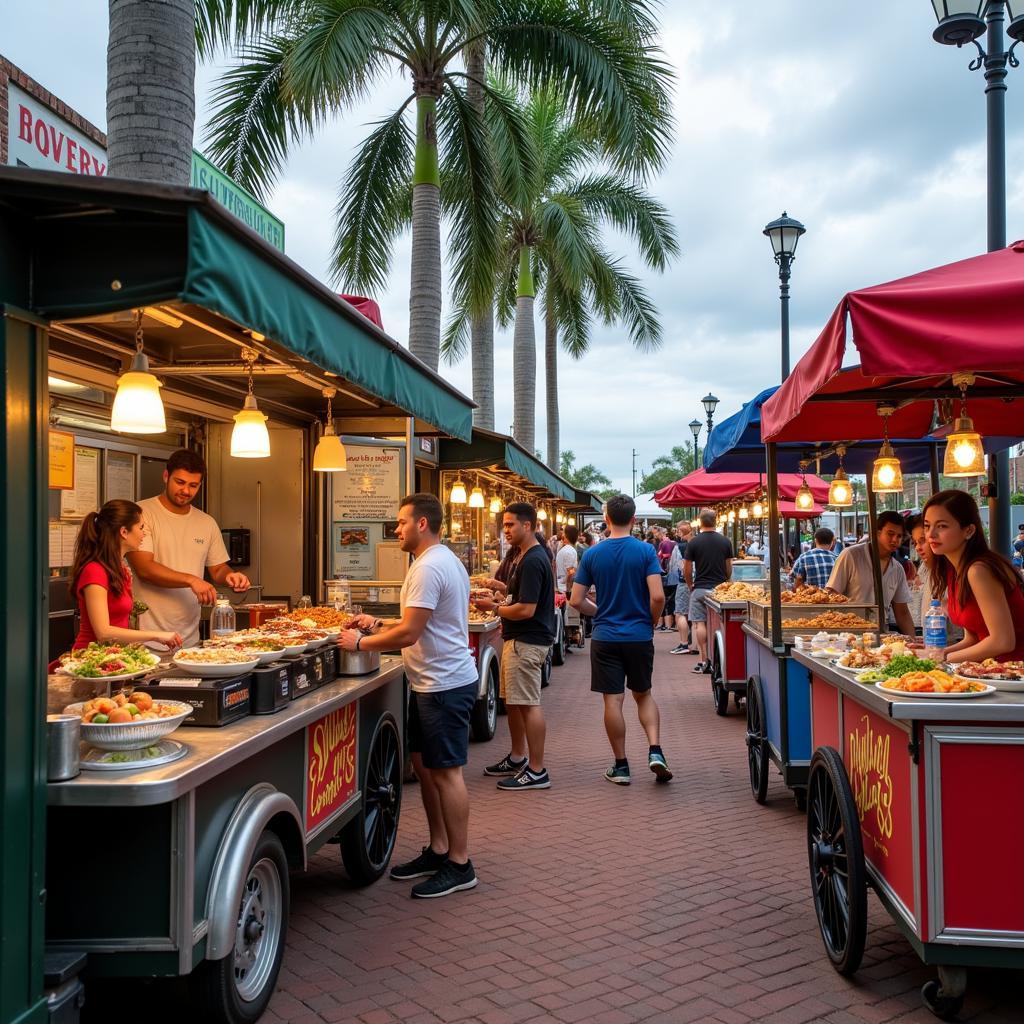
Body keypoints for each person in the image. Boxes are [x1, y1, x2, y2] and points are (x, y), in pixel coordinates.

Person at [339, 493, 479, 898]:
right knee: (425, 766)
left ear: (421, 524)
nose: (395, 529)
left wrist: (359, 643)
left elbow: (410, 633)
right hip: (431, 682)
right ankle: (439, 849)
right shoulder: (439, 560)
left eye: (401, 522)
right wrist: (379, 621)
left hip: (445, 684)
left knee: (447, 772)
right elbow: (417, 620)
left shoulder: (428, 566)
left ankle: (460, 863)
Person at [570, 494, 671, 784]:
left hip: (605, 636)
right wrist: (651, 619)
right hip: (639, 635)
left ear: (606, 519)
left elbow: (576, 600)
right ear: (635, 519)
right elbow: (657, 596)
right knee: (644, 694)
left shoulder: (592, 554)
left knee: (612, 701)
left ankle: (621, 766)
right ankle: (655, 750)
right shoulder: (645, 552)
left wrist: (598, 610)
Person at [127, 449, 250, 648]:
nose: (186, 491)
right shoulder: (141, 514)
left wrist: (231, 576)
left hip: (189, 639)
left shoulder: (206, 522)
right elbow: (145, 569)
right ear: (166, 476)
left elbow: (218, 569)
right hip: (146, 639)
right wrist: (192, 580)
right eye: (180, 482)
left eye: (193, 485)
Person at [473, 503, 554, 791]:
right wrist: (501, 592)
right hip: (519, 639)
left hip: (527, 639)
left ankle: (537, 769)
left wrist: (493, 608)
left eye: (511, 525)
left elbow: (526, 609)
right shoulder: (523, 557)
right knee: (516, 702)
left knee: (529, 704)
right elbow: (520, 596)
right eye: (504, 525)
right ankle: (519, 757)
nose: (506, 530)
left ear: (528, 525)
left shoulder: (532, 559)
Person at [922, 490, 1024, 663]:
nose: (931, 534)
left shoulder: (978, 570)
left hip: (1014, 674)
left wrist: (943, 659)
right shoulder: (954, 571)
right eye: (927, 525)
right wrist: (934, 655)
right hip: (990, 672)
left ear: (968, 530)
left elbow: (1003, 641)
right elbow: (973, 639)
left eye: (942, 526)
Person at [68, 500, 183, 651]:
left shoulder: (120, 570)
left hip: (114, 656)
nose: (144, 533)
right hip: (91, 658)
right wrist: (156, 635)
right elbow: (103, 632)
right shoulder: (94, 571)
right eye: (141, 527)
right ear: (124, 532)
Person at [825, 510, 915, 636]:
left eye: (899, 536)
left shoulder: (898, 569)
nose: (895, 539)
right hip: (847, 634)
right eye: (890, 534)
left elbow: (902, 613)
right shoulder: (851, 555)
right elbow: (832, 595)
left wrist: (913, 642)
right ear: (877, 533)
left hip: (880, 634)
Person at [684, 510, 733, 674]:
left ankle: (703, 659)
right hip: (719, 590)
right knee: (719, 624)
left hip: (700, 588)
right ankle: (719, 658)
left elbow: (687, 568)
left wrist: (691, 584)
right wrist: (725, 581)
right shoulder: (725, 541)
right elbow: (729, 567)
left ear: (700, 522)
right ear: (716, 520)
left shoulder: (694, 542)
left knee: (699, 623)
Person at [669, 521, 696, 655]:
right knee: (697, 616)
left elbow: (676, 566)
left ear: (680, 532)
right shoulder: (698, 544)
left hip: (684, 582)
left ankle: (684, 643)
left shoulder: (679, 547)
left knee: (680, 613)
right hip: (700, 582)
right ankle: (696, 645)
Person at [657, 529, 678, 632]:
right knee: (673, 601)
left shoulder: (663, 543)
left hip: (665, 576)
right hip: (676, 577)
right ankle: (672, 624)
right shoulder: (676, 544)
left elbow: (660, 556)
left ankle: (663, 624)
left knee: (665, 600)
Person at [556, 524, 579, 594]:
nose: (562, 534)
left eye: (563, 532)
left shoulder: (567, 549)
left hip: (562, 587)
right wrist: (569, 590)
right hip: (565, 589)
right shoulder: (570, 551)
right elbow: (571, 572)